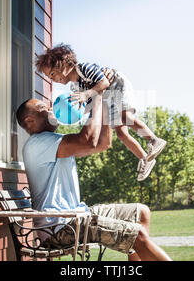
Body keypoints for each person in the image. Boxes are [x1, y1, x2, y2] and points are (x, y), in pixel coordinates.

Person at [16, 94, 171, 261]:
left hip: (76, 216)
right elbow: (88, 140)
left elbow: (103, 143)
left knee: (141, 212)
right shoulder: (38, 143)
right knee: (137, 234)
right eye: (43, 108)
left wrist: (104, 106)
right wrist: (95, 99)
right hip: (59, 229)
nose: (50, 109)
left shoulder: (55, 141)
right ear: (29, 121)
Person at [35, 44, 167, 182]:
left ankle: (153, 139)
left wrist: (86, 94)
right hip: (107, 98)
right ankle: (145, 159)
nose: (52, 79)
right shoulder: (75, 86)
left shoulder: (84, 68)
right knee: (122, 134)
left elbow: (103, 83)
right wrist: (63, 111)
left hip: (117, 85)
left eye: (52, 74)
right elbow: (87, 105)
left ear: (64, 64)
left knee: (125, 117)